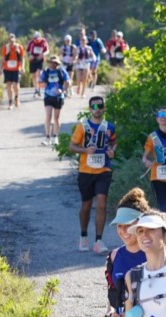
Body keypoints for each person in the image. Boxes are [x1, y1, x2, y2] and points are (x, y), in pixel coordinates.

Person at [69, 96, 117, 254]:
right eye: (94, 106)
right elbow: (72, 146)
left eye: (100, 106)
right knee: (86, 206)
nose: (97, 109)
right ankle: (83, 235)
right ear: (89, 109)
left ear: (104, 108)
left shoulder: (109, 126)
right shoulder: (82, 126)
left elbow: (113, 142)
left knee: (102, 204)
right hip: (86, 171)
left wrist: (112, 151)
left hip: (104, 170)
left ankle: (99, 240)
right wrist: (84, 150)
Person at [40, 55, 70, 146]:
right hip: (48, 96)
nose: (53, 64)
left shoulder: (61, 71)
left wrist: (63, 90)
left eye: (54, 63)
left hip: (58, 97)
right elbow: (40, 82)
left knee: (56, 118)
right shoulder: (46, 72)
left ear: (57, 63)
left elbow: (67, 81)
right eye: (51, 62)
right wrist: (44, 85)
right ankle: (47, 138)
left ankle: (55, 137)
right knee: (48, 116)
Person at [0, 33, 25, 109]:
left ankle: (16, 98)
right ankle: (10, 102)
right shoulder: (5, 48)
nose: (12, 42)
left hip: (16, 68)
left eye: (13, 40)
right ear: (8, 40)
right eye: (10, 40)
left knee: (15, 85)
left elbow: (22, 58)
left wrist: (23, 67)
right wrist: (0, 70)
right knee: (8, 85)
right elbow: (2, 59)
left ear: (15, 40)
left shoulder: (19, 47)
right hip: (7, 68)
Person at [26, 31, 49, 97]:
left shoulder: (43, 41)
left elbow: (47, 50)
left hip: (40, 60)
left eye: (37, 38)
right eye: (35, 38)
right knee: (34, 76)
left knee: (40, 74)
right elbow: (27, 51)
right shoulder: (31, 42)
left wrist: (42, 54)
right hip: (33, 60)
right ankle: (36, 89)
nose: (36, 40)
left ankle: (40, 89)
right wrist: (30, 55)